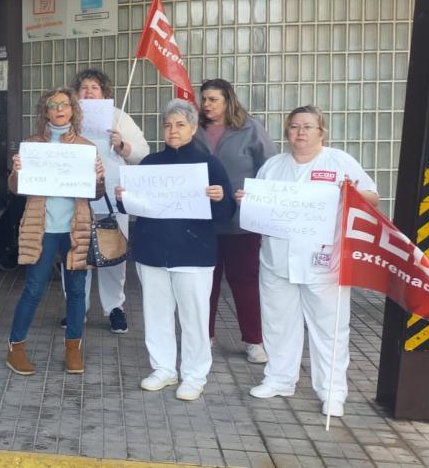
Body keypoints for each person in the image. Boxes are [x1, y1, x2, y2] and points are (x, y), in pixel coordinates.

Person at [240, 106, 378, 418]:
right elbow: (259, 210)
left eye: (308, 126)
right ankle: (279, 378)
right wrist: (248, 202)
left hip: (324, 263)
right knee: (277, 324)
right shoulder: (273, 167)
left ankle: (332, 391)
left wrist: (351, 192)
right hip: (276, 261)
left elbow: (373, 197)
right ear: (286, 131)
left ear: (321, 132)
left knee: (329, 329)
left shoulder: (338, 161)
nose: (300, 132)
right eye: (294, 127)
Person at [115, 99, 236, 401]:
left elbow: (226, 213)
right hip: (152, 251)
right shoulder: (150, 163)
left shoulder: (209, 165)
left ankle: (195, 375)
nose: (173, 130)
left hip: (193, 253)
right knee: (156, 313)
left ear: (193, 128)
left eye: (180, 124)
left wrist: (221, 198)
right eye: (168, 125)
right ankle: (164, 368)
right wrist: (122, 198)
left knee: (194, 316)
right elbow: (135, 206)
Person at [5, 88, 104, 377]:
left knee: (76, 292)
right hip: (43, 228)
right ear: (45, 111)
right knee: (33, 289)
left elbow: (95, 194)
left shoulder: (86, 147)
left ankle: (73, 349)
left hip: (75, 229)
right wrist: (16, 172)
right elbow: (15, 189)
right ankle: (16, 348)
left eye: (64, 104)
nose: (59, 109)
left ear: (73, 109)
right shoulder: (32, 145)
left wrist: (98, 178)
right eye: (53, 105)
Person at [193, 78, 278, 364]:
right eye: (204, 99)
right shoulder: (194, 129)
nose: (206, 105)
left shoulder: (250, 128)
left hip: (243, 221)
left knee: (245, 281)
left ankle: (254, 341)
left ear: (229, 101)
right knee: (206, 283)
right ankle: (204, 337)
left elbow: (270, 168)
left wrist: (258, 200)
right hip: (205, 219)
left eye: (213, 99)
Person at [72, 69, 148, 334]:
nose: (89, 91)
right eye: (84, 87)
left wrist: (123, 146)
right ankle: (76, 308)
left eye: (94, 87)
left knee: (112, 251)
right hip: (77, 197)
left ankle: (114, 307)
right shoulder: (69, 117)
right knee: (76, 252)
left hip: (112, 198)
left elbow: (142, 153)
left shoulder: (119, 117)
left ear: (105, 92)